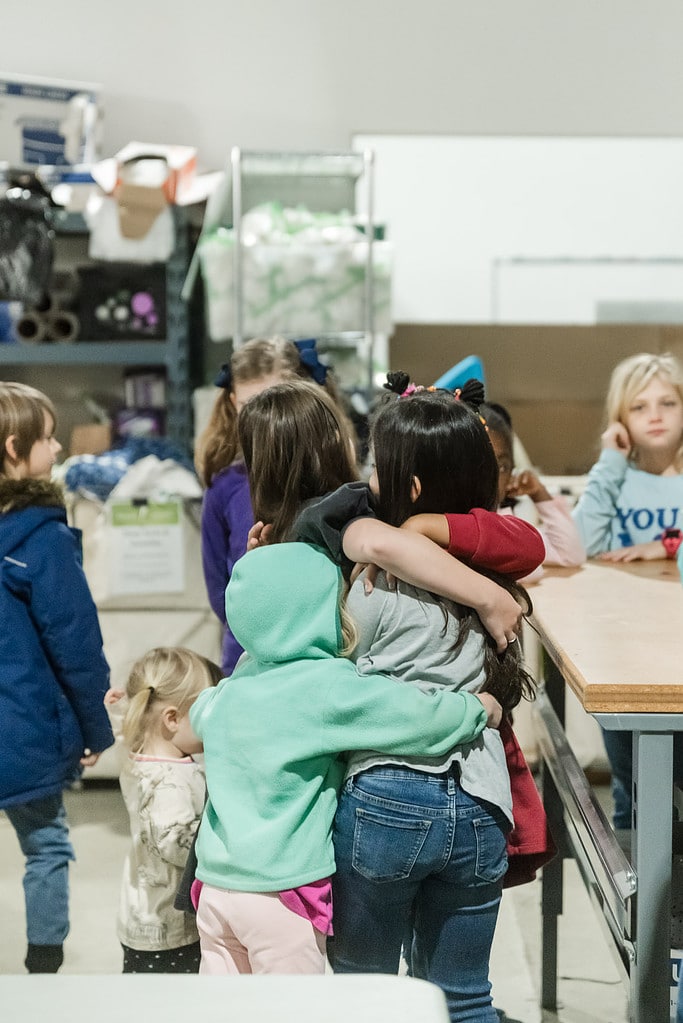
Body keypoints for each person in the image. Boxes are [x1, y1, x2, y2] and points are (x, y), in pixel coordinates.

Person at [301, 379, 535, 1023]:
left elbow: (329, 660)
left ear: (406, 487)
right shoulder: (496, 570)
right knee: (463, 996)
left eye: (378, 465)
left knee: (362, 992)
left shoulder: (372, 576)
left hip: (385, 798)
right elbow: (529, 544)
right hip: (483, 801)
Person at [0, 381, 113, 974]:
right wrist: (96, 727)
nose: (58, 443)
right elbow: (75, 643)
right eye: (47, 436)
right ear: (15, 448)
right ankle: (43, 969)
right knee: (46, 846)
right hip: (24, 728)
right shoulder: (40, 539)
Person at [195, 335, 352, 674]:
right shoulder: (223, 488)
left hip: (329, 656)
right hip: (250, 657)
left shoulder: (338, 486)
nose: (264, 420)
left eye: (277, 402)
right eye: (250, 406)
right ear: (233, 401)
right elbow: (220, 589)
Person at [572, 352, 683, 830]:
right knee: (632, 783)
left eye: (667, 402)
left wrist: (661, 545)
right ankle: (642, 896)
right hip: (626, 656)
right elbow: (579, 544)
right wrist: (611, 461)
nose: (655, 415)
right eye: (639, 407)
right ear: (619, 419)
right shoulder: (615, 479)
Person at [104, 647, 222, 974]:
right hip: (171, 931)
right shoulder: (172, 784)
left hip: (137, 917)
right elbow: (177, 848)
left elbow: (126, 727)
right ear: (171, 719)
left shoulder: (135, 753)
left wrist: (120, 709)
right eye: (206, 713)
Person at [406, 400, 585, 584]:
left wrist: (539, 494)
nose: (490, 477)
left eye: (501, 467)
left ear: (512, 472)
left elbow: (570, 554)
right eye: (478, 465)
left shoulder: (507, 522)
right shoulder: (440, 528)